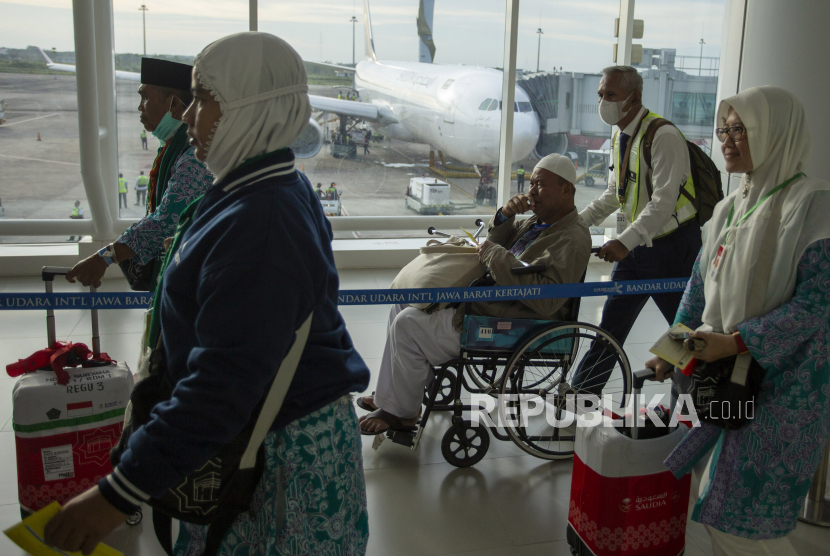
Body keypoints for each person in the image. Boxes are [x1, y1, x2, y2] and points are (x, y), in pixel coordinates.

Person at [44, 32, 371, 556]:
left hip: (275, 464)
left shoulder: (262, 220)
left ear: (248, 108)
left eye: (202, 99)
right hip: (257, 442)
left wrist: (117, 493)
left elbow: (223, 383)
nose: (189, 115)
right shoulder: (260, 186)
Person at [645, 86, 830, 555]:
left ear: (775, 134)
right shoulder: (729, 208)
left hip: (779, 390)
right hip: (717, 380)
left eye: (740, 129)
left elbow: (815, 304)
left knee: (740, 520)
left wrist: (738, 342)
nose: (727, 139)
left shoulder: (812, 207)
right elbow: (699, 286)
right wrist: (673, 350)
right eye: (724, 129)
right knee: (710, 502)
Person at [359, 153, 591, 434]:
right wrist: (505, 215)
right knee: (406, 304)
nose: (531, 192)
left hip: (511, 321)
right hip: (487, 302)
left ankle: (402, 413)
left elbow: (547, 299)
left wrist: (496, 256)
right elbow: (494, 243)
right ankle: (393, 395)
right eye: (530, 184)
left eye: (539, 185)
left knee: (407, 324)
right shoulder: (536, 223)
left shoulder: (572, 238)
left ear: (567, 189)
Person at [573, 65, 702, 395]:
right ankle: (580, 398)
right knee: (610, 328)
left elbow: (663, 202)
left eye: (611, 95)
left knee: (686, 329)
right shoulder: (620, 135)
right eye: (601, 94)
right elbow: (615, 193)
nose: (603, 101)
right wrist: (575, 224)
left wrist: (624, 242)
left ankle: (705, 396)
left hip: (673, 248)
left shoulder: (664, 136)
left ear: (635, 98)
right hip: (637, 247)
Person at [65, 58, 212, 291]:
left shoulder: (194, 155)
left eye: (145, 97)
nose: (139, 106)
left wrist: (104, 257)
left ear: (174, 104)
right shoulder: (175, 147)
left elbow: (167, 221)